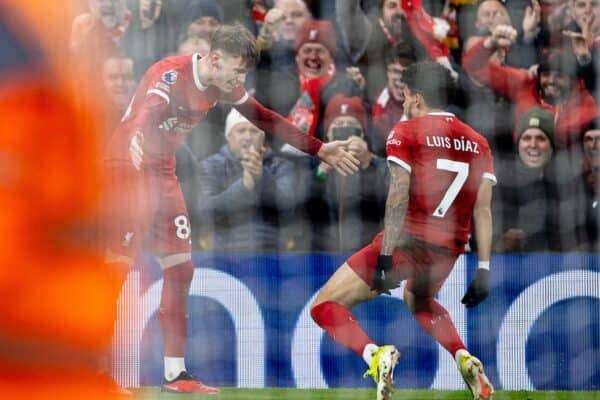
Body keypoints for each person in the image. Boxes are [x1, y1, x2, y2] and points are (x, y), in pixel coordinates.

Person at [102, 22, 359, 394]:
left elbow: (265, 117)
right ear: (215, 59)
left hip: (162, 172)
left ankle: (176, 374)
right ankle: (97, 369)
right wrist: (139, 137)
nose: (240, 79)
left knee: (180, 269)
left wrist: (320, 148)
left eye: (244, 72)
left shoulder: (224, 85)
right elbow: (148, 109)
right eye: (237, 70)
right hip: (126, 169)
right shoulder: (170, 74)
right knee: (115, 274)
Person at [310, 61, 496, 400]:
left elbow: (398, 194)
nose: (405, 105)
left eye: (406, 97)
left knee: (323, 306)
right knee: (420, 300)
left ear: (418, 97)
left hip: (407, 240)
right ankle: (463, 357)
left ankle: (375, 354)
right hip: (449, 248)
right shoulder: (478, 142)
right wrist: (483, 268)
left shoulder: (406, 132)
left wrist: (384, 256)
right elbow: (482, 210)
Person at [463, 23, 599, 149]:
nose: (551, 80)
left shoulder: (584, 96)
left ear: (572, 79)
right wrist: (490, 44)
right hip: (520, 162)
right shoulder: (525, 82)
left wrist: (585, 61)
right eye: (545, 74)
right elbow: (474, 67)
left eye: (559, 75)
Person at [192, 108, 295, 252]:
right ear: (229, 136)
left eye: (254, 131)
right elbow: (205, 210)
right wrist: (244, 186)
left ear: (262, 137)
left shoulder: (281, 166)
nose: (248, 137)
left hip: (271, 254)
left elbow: (288, 209)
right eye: (241, 130)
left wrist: (261, 177)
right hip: (223, 255)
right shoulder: (210, 166)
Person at [305, 95, 389, 252]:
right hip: (322, 256)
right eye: (338, 126)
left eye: (351, 126)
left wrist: (367, 164)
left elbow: (389, 204)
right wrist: (322, 171)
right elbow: (301, 210)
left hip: (365, 256)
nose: (344, 131)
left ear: (362, 135)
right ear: (328, 134)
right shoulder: (313, 164)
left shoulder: (380, 165)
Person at [493, 106, 560, 252]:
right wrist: (502, 243)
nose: (533, 144)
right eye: (527, 138)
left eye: (541, 138)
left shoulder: (564, 185)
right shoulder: (501, 184)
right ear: (518, 145)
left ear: (552, 146)